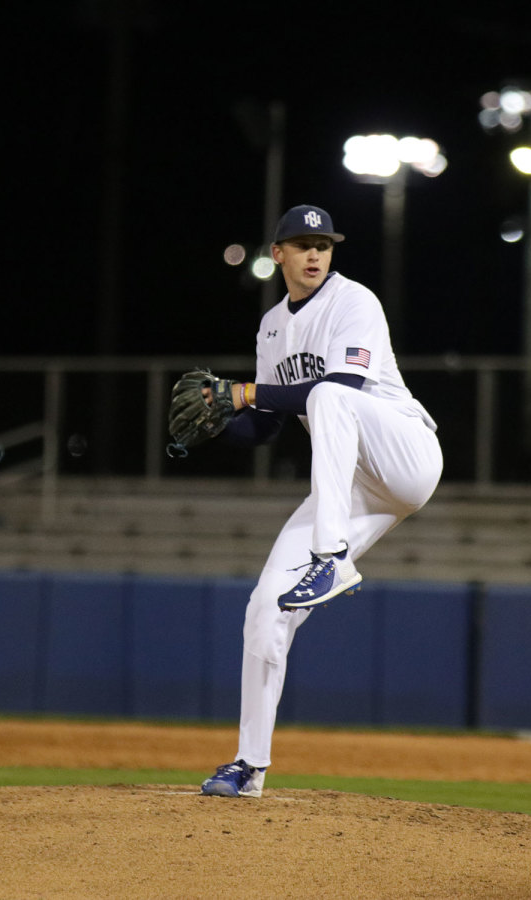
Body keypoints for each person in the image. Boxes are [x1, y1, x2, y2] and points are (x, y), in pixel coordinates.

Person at [197, 204, 443, 798]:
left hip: (404, 455)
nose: (314, 254)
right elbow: (267, 425)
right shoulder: (272, 327)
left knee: (331, 395)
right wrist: (216, 421)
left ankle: (331, 558)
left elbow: (343, 389)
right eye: (301, 243)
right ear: (277, 253)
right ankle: (248, 766)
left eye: (323, 244)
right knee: (265, 608)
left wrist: (249, 390)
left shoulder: (354, 301)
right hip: (350, 486)